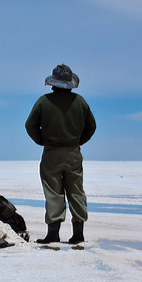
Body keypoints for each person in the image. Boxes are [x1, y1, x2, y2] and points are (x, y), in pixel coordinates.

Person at [25, 64, 96, 245]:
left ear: (53, 83)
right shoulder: (80, 101)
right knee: (76, 191)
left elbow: (30, 125)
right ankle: (78, 235)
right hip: (73, 153)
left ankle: (53, 234)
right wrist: (77, 142)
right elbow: (91, 127)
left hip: (51, 153)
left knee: (53, 191)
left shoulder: (44, 101)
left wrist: (42, 141)